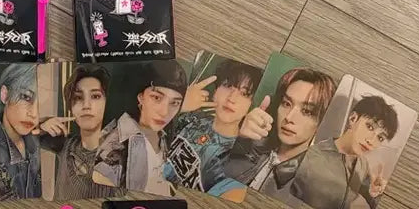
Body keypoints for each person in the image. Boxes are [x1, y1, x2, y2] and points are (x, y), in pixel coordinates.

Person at [212, 68, 337, 202]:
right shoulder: (250, 149)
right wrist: (236, 136)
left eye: (307, 111)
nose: (289, 117)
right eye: (286, 104)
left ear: (323, 121)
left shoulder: (313, 186)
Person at [164, 59, 262, 194]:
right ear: (215, 91)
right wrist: (177, 106)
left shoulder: (238, 158)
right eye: (227, 86)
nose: (232, 98)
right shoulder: (191, 118)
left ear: (251, 105)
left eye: (244, 94)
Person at [91, 60, 187, 196]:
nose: (165, 112)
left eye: (175, 103)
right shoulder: (115, 144)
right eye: (156, 98)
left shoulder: (164, 137)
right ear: (141, 97)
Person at [286, 95, 399, 209]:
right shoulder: (309, 158)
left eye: (380, 137)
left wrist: (373, 193)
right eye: (369, 127)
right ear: (353, 119)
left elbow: (368, 198)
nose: (371, 141)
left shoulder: (363, 164)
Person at [39, 64, 120, 200]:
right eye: (78, 97)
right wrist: (43, 123)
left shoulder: (122, 154)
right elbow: (23, 135)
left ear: (106, 102)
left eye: (95, 96)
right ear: (71, 107)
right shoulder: (65, 143)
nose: (86, 105)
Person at [0, 64, 41, 198]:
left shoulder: (38, 144)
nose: (34, 114)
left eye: (42, 104)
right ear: (5, 95)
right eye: (26, 97)